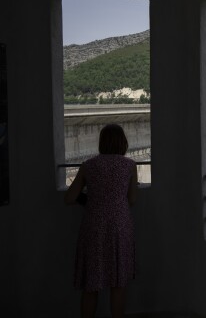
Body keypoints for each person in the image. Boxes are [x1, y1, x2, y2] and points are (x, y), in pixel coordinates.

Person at [64, 123, 138, 318]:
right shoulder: (129, 166)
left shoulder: (88, 166)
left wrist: (90, 199)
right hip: (119, 228)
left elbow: (69, 198)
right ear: (123, 142)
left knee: (91, 285)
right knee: (118, 282)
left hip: (93, 227)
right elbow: (132, 199)